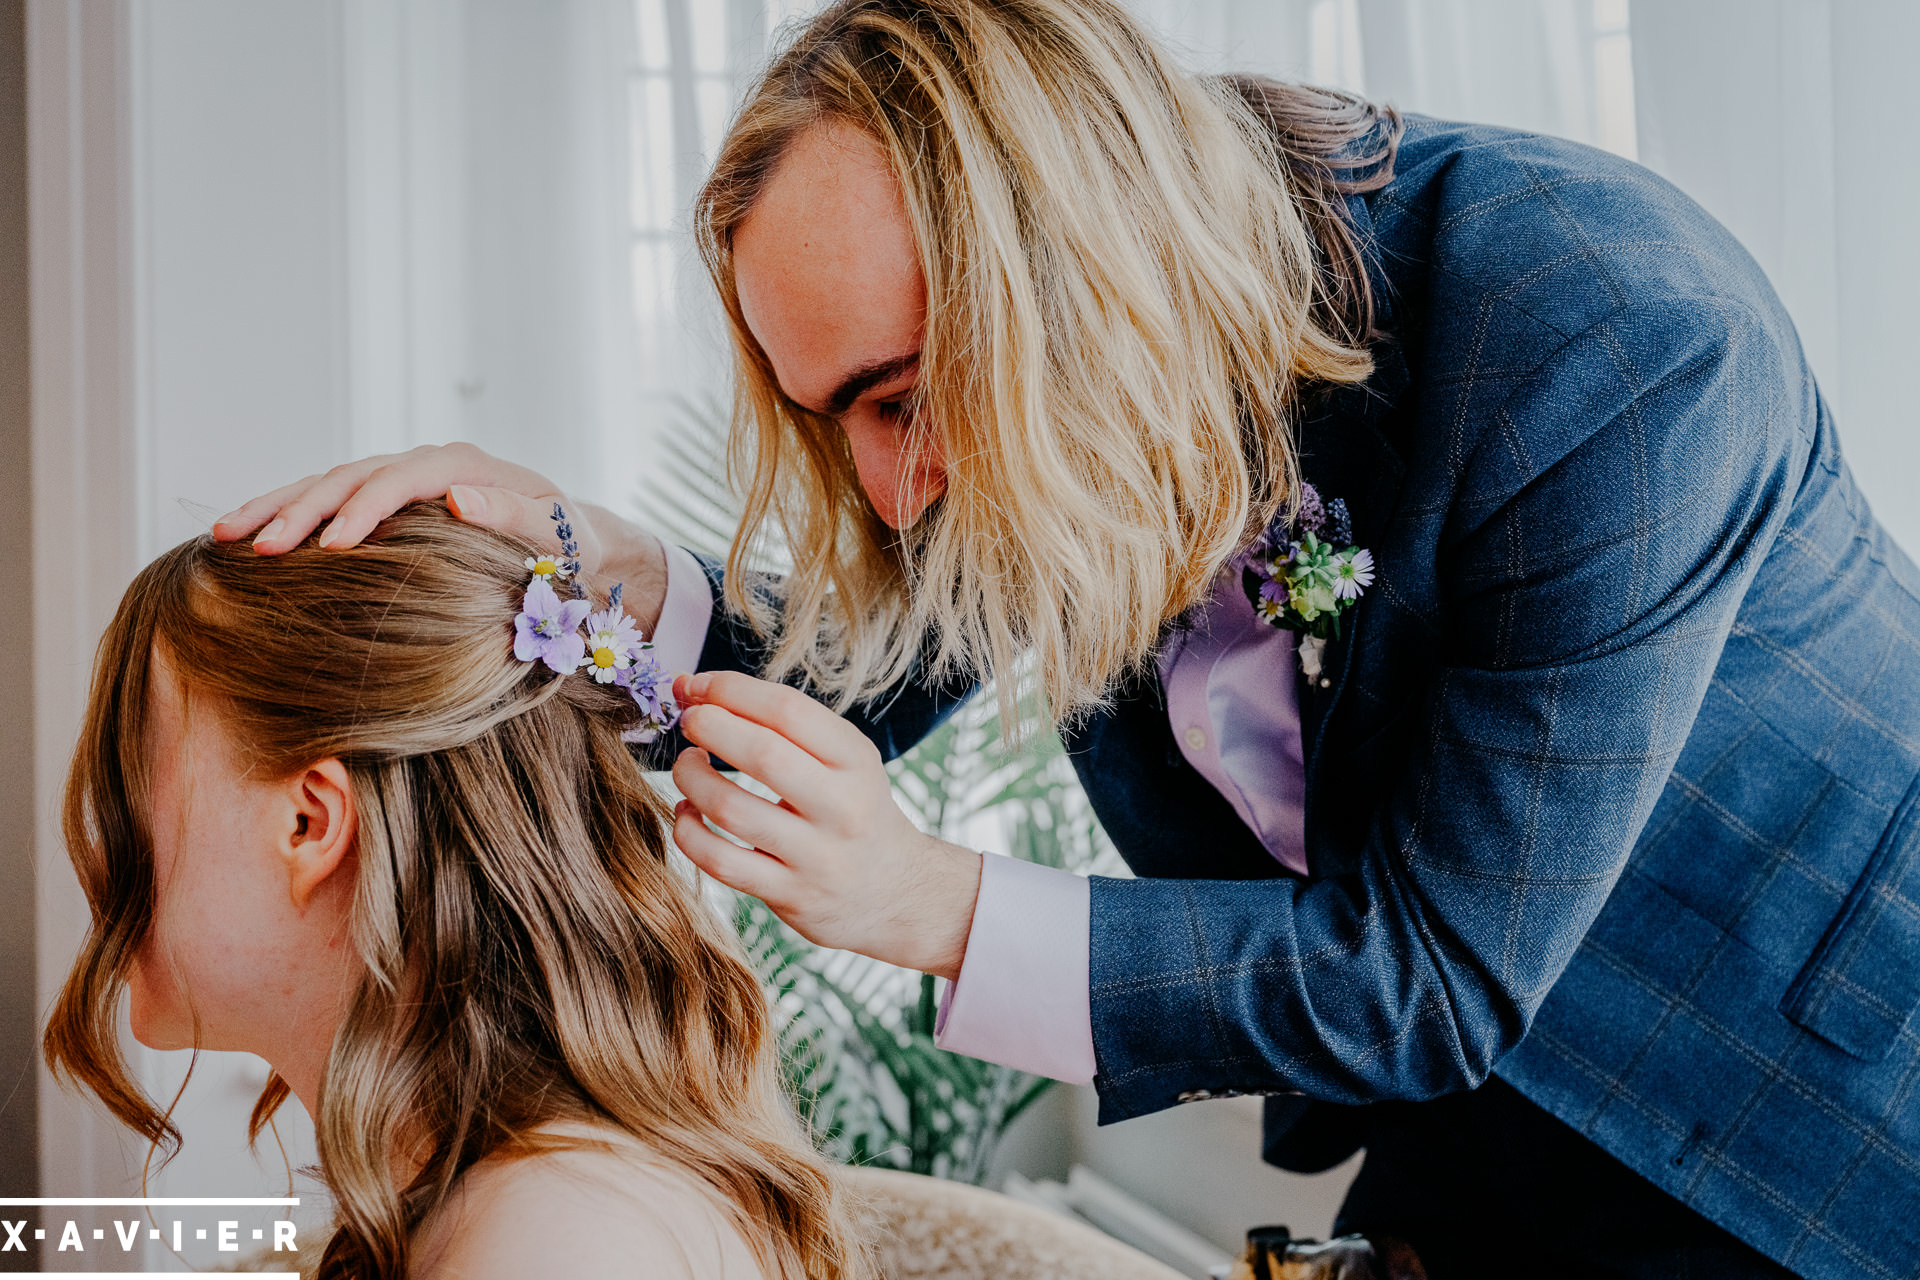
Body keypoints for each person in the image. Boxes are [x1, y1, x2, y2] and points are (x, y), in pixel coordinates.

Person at [214, 1, 1920, 1277]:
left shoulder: (1610, 327)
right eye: (838, 423)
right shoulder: (1065, 369)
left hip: (1823, 1124)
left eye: (902, 397)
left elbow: (1437, 978)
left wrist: (925, 907)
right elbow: (868, 671)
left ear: (1076, 268)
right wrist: (588, 580)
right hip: (1458, 1147)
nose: (892, 491)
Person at [42, 504, 872, 1280]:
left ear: (310, 825)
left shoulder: (557, 1244)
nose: (87, 837)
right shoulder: (506, 1202)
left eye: (123, 776)